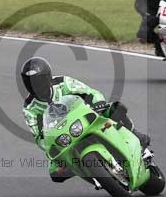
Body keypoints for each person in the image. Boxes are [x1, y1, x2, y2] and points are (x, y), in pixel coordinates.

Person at [20, 57, 150, 183]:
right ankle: (89, 171)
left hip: (84, 118)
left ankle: (135, 134)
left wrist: (97, 103)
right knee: (55, 172)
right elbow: (38, 136)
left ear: (48, 77)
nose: (36, 86)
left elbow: (90, 92)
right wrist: (50, 145)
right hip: (63, 138)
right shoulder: (30, 107)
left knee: (114, 108)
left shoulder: (62, 82)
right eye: (31, 83)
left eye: (39, 81)